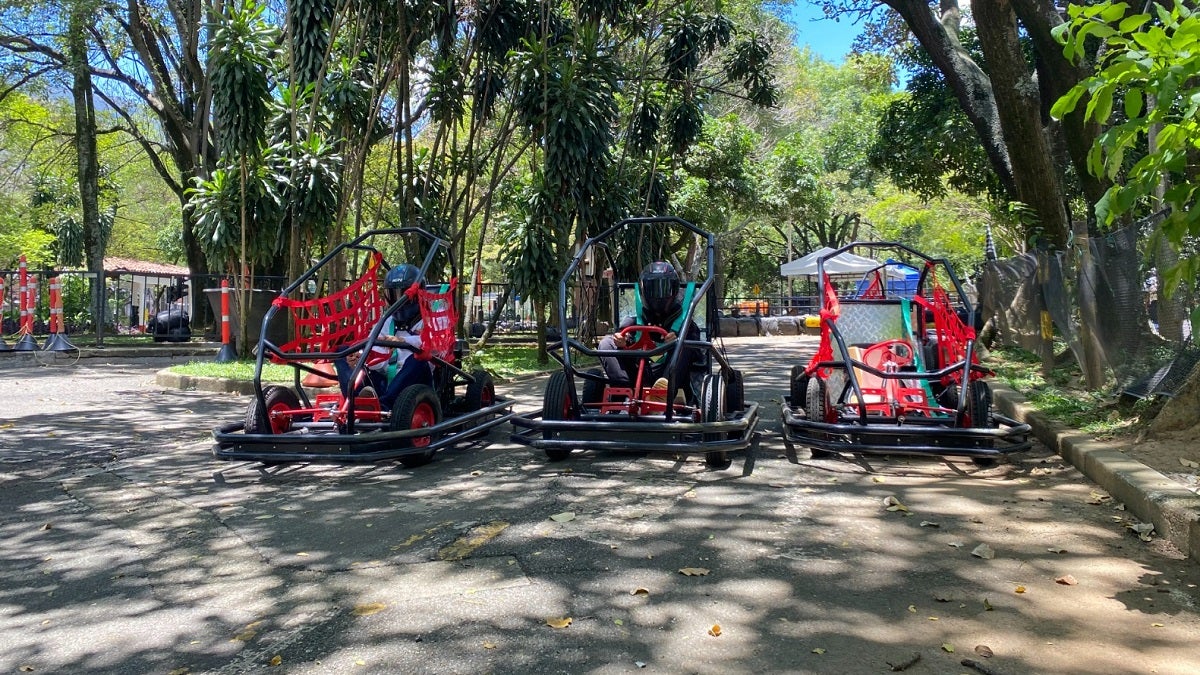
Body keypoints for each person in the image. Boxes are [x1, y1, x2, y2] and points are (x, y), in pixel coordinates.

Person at [597, 261, 703, 403]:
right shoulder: (634, 320)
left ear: (674, 290)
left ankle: (663, 394)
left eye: (663, 288)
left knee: (686, 344)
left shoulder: (686, 324)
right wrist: (623, 340)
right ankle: (622, 392)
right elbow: (622, 333)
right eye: (653, 289)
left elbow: (698, 352)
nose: (658, 295)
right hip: (636, 377)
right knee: (606, 343)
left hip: (671, 377)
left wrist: (677, 340)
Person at [334, 263, 435, 409]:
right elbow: (373, 349)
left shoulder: (434, 318)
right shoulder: (387, 321)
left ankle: (383, 406)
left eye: (403, 295)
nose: (398, 301)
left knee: (418, 358)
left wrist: (402, 341)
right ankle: (357, 403)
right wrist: (359, 357)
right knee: (342, 352)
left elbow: (436, 347)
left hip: (416, 381)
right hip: (385, 380)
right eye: (393, 295)